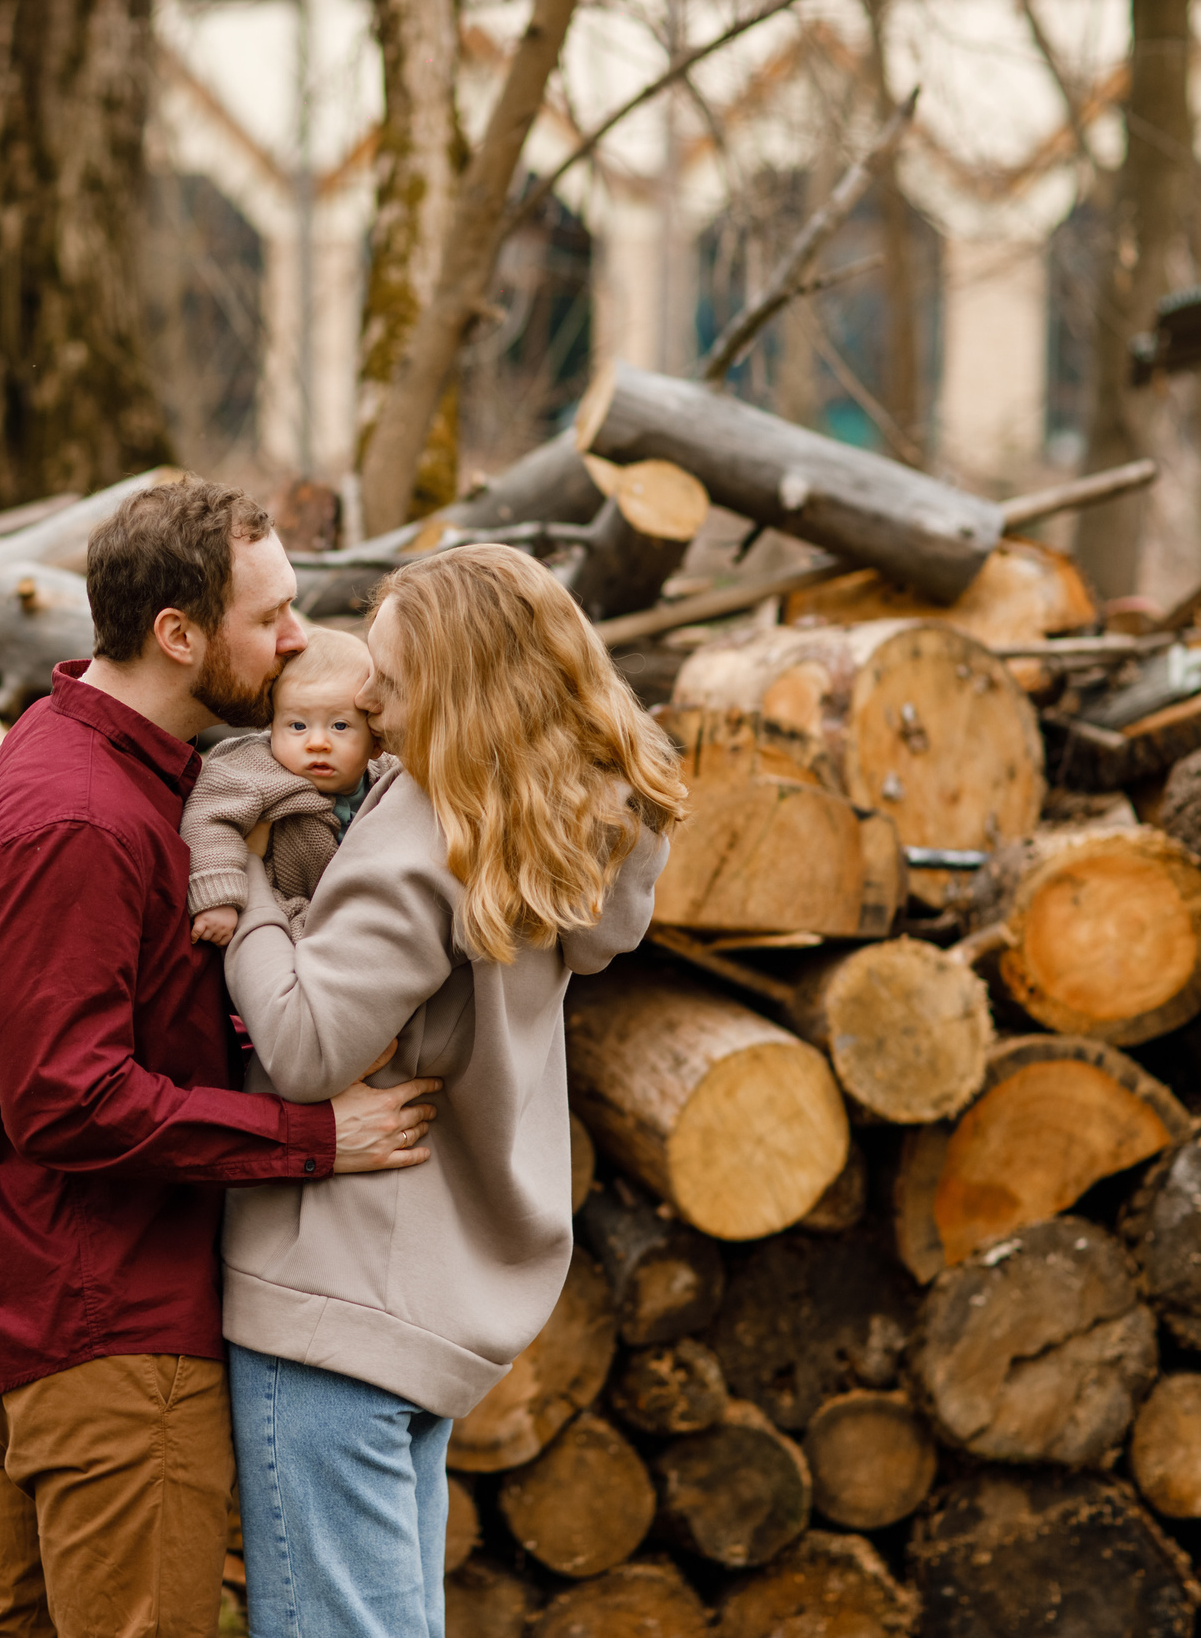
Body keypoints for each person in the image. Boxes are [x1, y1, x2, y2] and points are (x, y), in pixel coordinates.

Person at [0, 476, 444, 1638]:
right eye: (270, 616)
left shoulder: (86, 759)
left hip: (41, 1320)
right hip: (112, 1344)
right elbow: (67, 1099)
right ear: (177, 634)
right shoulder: (82, 819)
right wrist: (311, 1137)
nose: (297, 639)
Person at [219, 543, 687, 1638]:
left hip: (335, 1297)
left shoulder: (423, 830)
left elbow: (305, 1046)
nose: (369, 703)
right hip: (435, 1284)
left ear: (455, 686)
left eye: (389, 679)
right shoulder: (547, 816)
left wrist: (242, 883)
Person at [180, 625, 395, 945]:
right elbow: (208, 820)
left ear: (375, 740)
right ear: (271, 725)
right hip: (280, 908)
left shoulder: (389, 775)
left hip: (361, 915)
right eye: (297, 725)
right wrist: (219, 899)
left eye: (340, 725)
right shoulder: (253, 768)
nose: (317, 743)